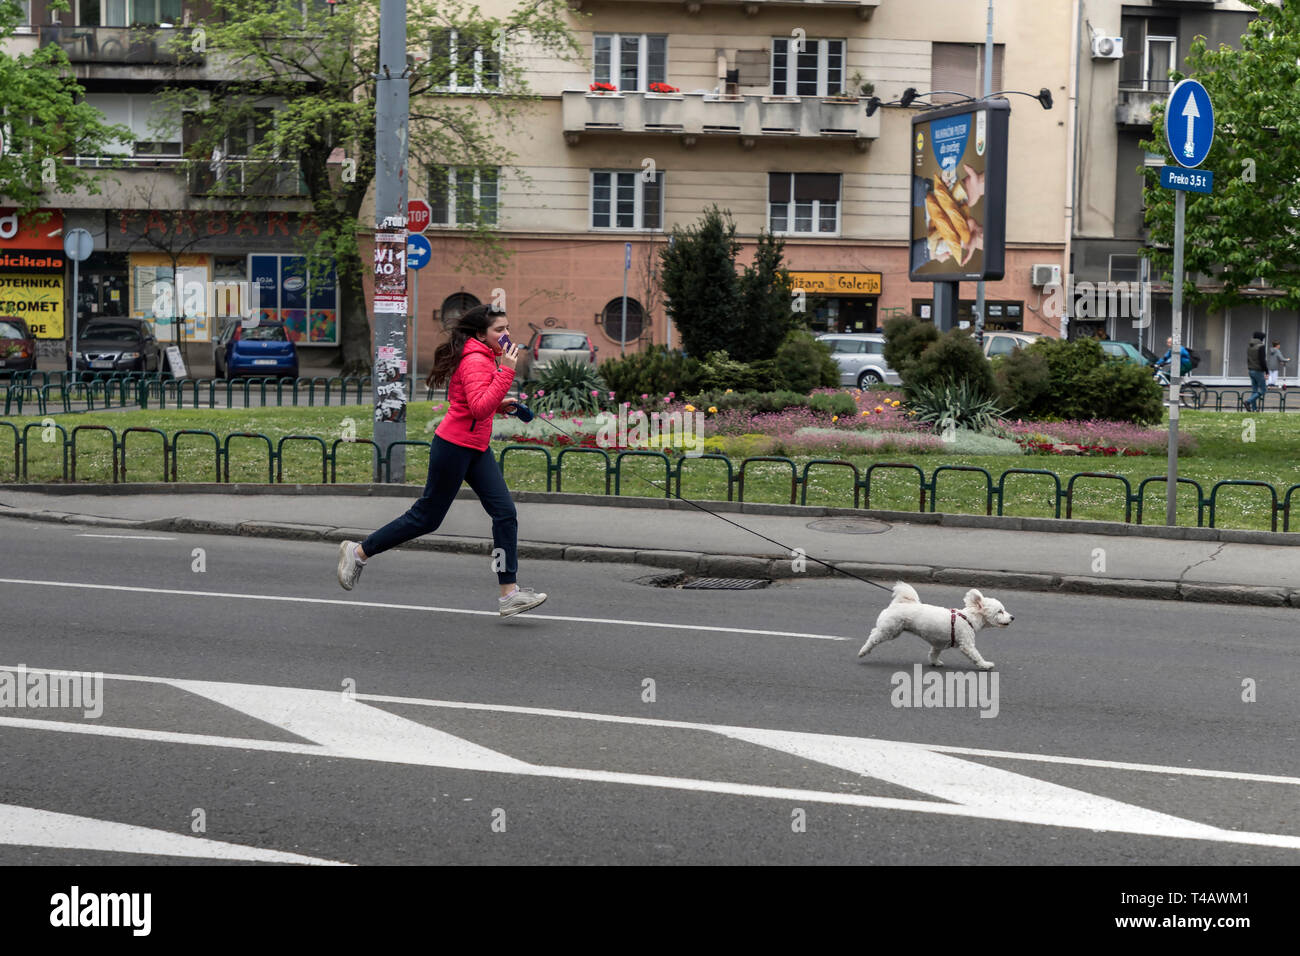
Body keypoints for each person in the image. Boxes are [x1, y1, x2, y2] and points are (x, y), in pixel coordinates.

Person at [335, 304, 547, 617]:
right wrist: (507, 371)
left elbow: (475, 403)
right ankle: (359, 551)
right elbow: (476, 408)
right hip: (454, 447)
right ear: (480, 334)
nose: (506, 336)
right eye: (499, 330)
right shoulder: (477, 359)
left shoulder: (485, 356)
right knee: (427, 517)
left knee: (504, 513)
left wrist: (501, 405)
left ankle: (509, 593)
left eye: (507, 328)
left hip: (475, 447)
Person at [1245, 331, 1269, 412]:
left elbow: (1248, 359)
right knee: (1263, 390)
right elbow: (1262, 360)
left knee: (1254, 390)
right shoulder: (1261, 346)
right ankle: (1248, 402)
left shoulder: (1249, 346)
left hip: (1251, 370)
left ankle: (1254, 409)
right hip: (1258, 371)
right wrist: (1267, 371)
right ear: (1261, 338)